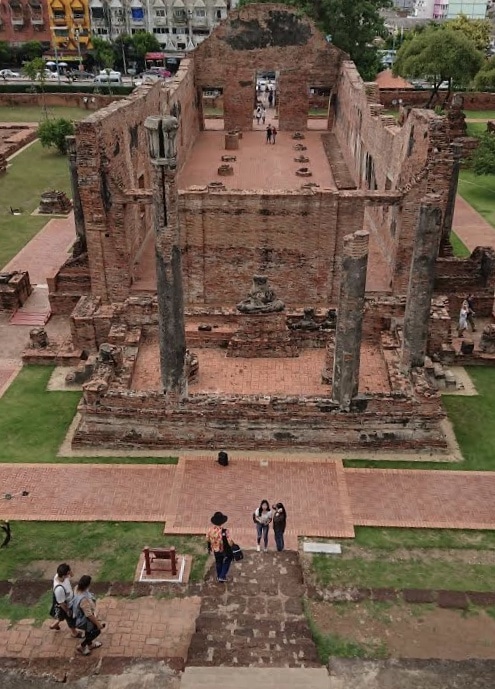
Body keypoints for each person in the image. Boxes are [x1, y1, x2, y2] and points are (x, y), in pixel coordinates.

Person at [72, 575, 104, 655]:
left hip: (80, 615)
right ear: (87, 585)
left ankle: (90, 645)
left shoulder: (76, 588)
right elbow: (89, 615)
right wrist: (98, 624)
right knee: (96, 631)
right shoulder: (83, 601)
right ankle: (82, 646)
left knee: (88, 631)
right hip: (85, 619)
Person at [49, 563, 83, 638]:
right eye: (68, 573)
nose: (69, 574)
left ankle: (54, 625)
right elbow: (61, 603)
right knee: (70, 619)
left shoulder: (61, 575)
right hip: (66, 605)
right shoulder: (59, 589)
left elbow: (72, 575)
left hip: (69, 600)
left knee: (61, 616)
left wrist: (69, 570)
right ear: (64, 575)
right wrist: (68, 611)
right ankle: (74, 633)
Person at [206, 511, 234, 583]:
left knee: (218, 562)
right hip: (223, 550)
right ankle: (222, 576)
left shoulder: (210, 530)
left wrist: (209, 547)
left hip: (215, 549)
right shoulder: (225, 531)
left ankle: (219, 576)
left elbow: (207, 539)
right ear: (222, 522)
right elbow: (230, 542)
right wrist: (233, 547)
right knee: (228, 559)